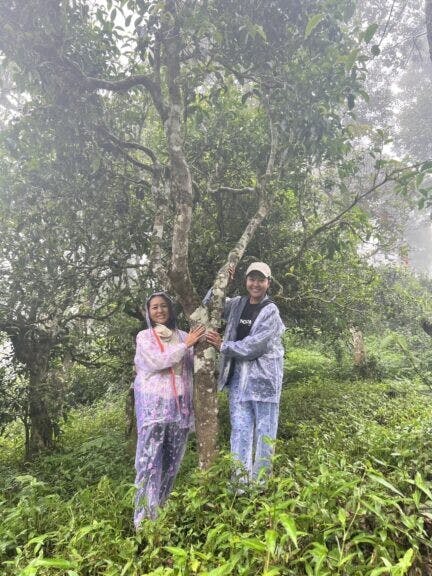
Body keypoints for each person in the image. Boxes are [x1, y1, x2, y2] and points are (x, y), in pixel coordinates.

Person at [206, 262, 285, 483]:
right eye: (252, 279)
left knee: (265, 433)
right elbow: (210, 304)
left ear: (268, 283)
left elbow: (255, 346)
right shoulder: (238, 304)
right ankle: (239, 485)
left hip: (264, 383)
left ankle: (261, 485)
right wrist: (222, 283)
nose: (256, 284)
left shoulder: (270, 311)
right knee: (240, 431)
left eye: (261, 280)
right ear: (246, 281)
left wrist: (223, 345)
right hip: (238, 381)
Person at [133, 292, 205, 527]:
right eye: (154, 307)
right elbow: (156, 362)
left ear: (171, 310)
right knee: (149, 464)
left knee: (172, 464)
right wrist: (186, 345)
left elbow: (196, 362)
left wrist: (206, 342)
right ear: (148, 312)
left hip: (178, 411)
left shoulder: (184, 336)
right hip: (153, 411)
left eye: (164, 306)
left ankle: (160, 512)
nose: (160, 311)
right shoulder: (145, 336)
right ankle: (143, 521)